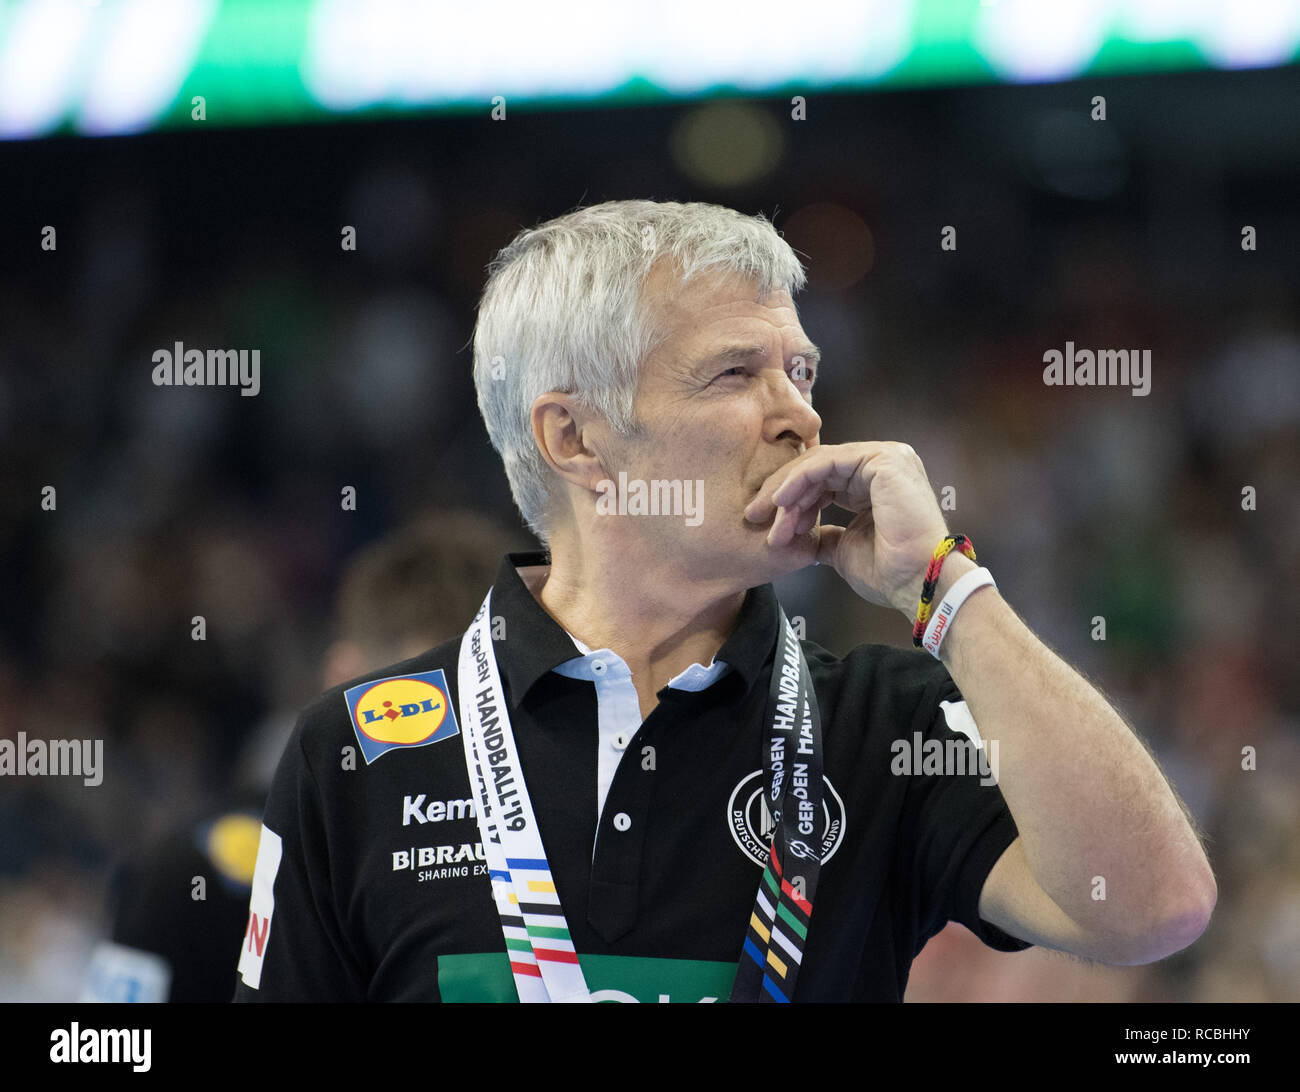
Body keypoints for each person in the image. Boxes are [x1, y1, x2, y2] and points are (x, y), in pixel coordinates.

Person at [234, 200, 1215, 1003]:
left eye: (800, 370)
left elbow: (1151, 907)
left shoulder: (881, 720)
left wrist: (945, 586)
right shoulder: (354, 749)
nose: (801, 414)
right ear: (574, 440)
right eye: (736, 373)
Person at [81, 512, 516, 1002]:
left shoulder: (545, 858)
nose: (441, 734)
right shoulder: (193, 876)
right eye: (416, 707)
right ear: (342, 681)